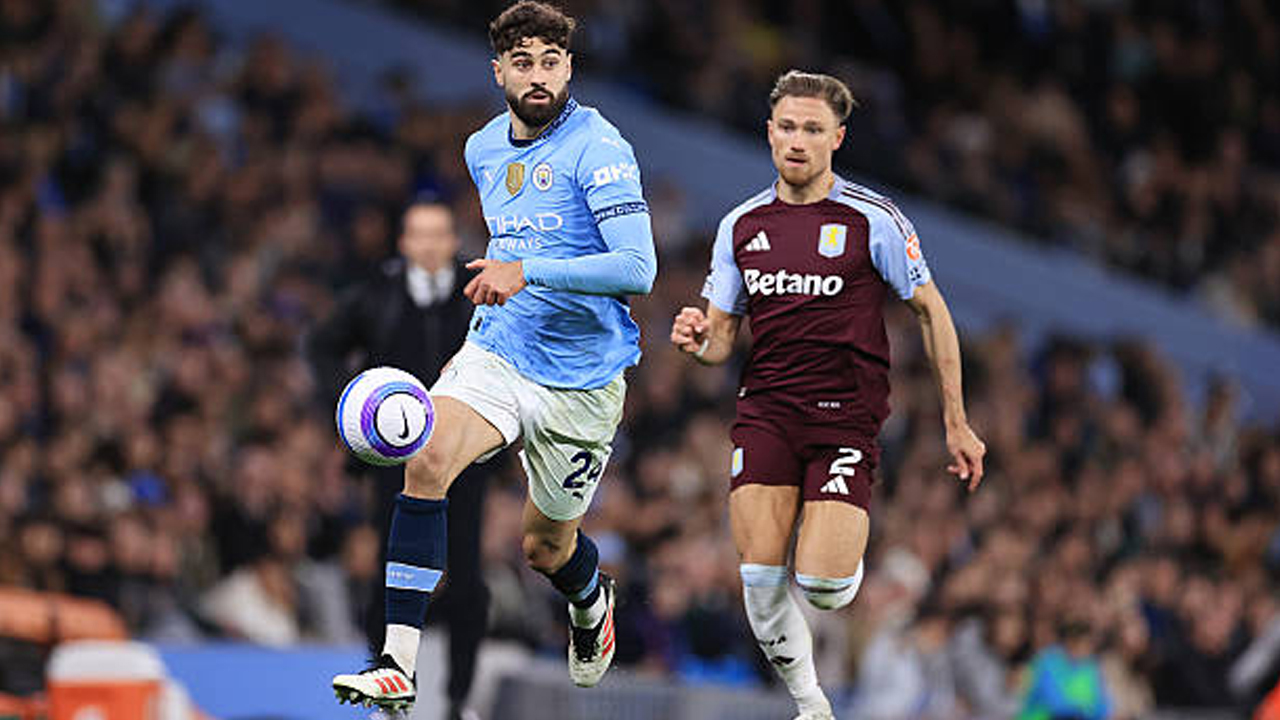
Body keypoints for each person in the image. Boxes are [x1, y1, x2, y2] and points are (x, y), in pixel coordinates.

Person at [332, 1, 657, 711]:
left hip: (582, 381)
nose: (537, 77)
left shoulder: (600, 149)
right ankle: (398, 662)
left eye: (550, 62)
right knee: (426, 459)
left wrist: (528, 270)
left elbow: (638, 268)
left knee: (544, 550)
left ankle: (590, 598)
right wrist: (514, 279)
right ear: (499, 71)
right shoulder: (483, 148)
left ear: (568, 67)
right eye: (522, 63)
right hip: (500, 352)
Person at [669, 70, 986, 720]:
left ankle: (842, 551)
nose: (798, 140)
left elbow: (933, 311)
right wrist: (698, 338)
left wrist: (957, 420)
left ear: (836, 138)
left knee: (822, 587)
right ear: (769, 132)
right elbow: (723, 338)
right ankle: (811, 703)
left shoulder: (873, 219)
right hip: (766, 413)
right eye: (787, 126)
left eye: (813, 129)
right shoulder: (741, 226)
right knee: (758, 582)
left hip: (846, 418)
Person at [307, 196, 492, 720]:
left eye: (439, 235)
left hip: (466, 464)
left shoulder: (476, 295)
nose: (430, 246)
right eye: (419, 235)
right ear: (404, 243)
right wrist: (346, 413)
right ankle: (387, 690)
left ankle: (458, 701)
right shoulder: (375, 296)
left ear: (454, 242)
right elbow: (321, 345)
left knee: (467, 582)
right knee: (390, 574)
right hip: (390, 466)